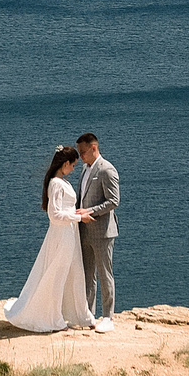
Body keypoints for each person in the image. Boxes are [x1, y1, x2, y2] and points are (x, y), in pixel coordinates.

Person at [2, 144, 95, 333]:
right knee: (58, 276)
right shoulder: (56, 184)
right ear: (65, 163)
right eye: (73, 165)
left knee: (75, 273)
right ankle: (55, 319)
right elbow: (54, 215)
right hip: (62, 234)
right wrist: (79, 218)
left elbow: (64, 209)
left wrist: (76, 213)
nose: (73, 169)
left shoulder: (62, 182)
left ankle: (83, 316)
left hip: (70, 233)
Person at [75, 131, 120, 332]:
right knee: (87, 274)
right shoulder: (85, 169)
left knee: (104, 273)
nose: (80, 156)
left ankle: (108, 317)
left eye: (83, 152)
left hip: (102, 231)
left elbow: (114, 201)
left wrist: (90, 211)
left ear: (93, 148)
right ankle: (88, 314)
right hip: (84, 230)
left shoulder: (106, 169)